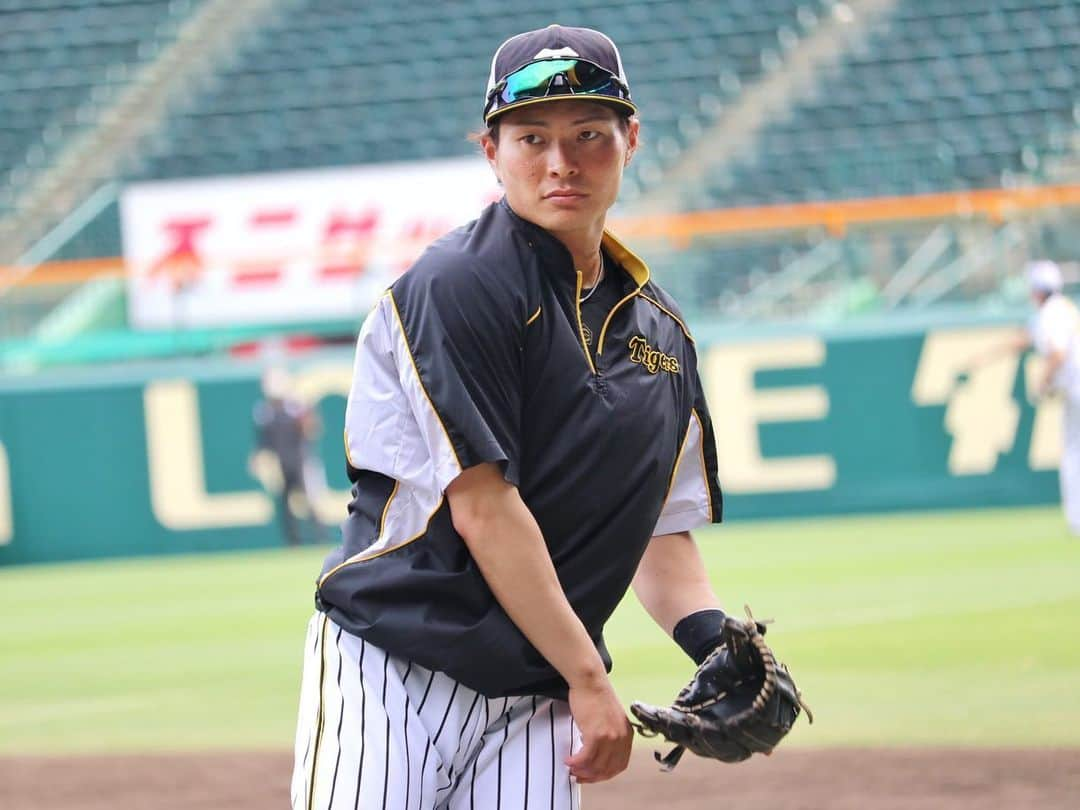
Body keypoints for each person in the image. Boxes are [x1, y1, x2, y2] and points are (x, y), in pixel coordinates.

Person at [291, 25, 729, 810]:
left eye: (589, 135)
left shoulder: (661, 334)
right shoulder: (461, 283)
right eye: (532, 138)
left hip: (539, 684)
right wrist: (589, 678)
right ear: (491, 151)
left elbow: (656, 527)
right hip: (398, 660)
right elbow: (485, 509)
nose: (561, 163)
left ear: (631, 139)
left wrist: (713, 642)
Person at [968, 259, 1080, 534]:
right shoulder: (1063, 309)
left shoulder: (1050, 315)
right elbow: (1024, 339)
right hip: (1073, 391)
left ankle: (1077, 518)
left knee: (1073, 455)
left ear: (1037, 290)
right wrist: (984, 357)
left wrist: (1042, 383)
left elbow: (1058, 353)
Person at [250, 368, 328, 546]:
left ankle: (320, 538)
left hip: (300, 459)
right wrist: (260, 459)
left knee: (309, 500)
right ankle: (293, 542)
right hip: (280, 462)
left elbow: (312, 430)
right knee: (284, 503)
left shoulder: (296, 407)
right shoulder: (264, 412)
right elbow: (263, 441)